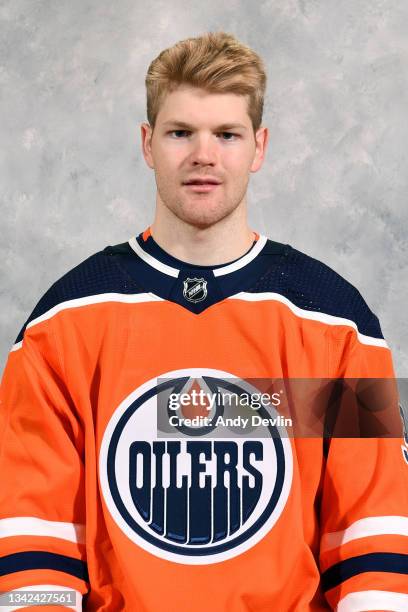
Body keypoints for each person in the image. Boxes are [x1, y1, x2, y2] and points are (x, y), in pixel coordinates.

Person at [0, 31, 407, 612]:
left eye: (227, 134)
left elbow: (374, 544)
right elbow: (35, 547)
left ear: (258, 147)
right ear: (147, 143)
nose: (203, 155)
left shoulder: (336, 322)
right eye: (180, 132)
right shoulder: (64, 324)